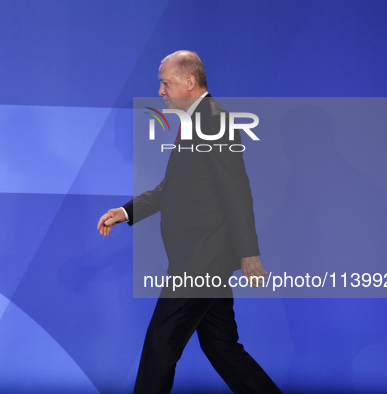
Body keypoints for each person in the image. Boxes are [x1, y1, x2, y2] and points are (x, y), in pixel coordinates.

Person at [97, 50, 281, 394]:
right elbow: (173, 188)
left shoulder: (214, 121)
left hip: (202, 257)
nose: (161, 92)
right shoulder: (197, 122)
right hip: (199, 254)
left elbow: (237, 192)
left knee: (161, 344)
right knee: (221, 347)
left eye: (166, 83)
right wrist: (126, 212)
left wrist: (249, 252)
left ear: (189, 82)